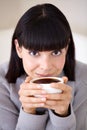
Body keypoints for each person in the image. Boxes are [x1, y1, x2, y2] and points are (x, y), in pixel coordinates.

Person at [0, 3, 87, 130]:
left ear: (66, 48)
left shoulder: (84, 77)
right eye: (34, 53)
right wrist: (28, 111)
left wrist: (63, 115)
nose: (46, 66)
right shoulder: (2, 82)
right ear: (18, 48)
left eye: (56, 52)